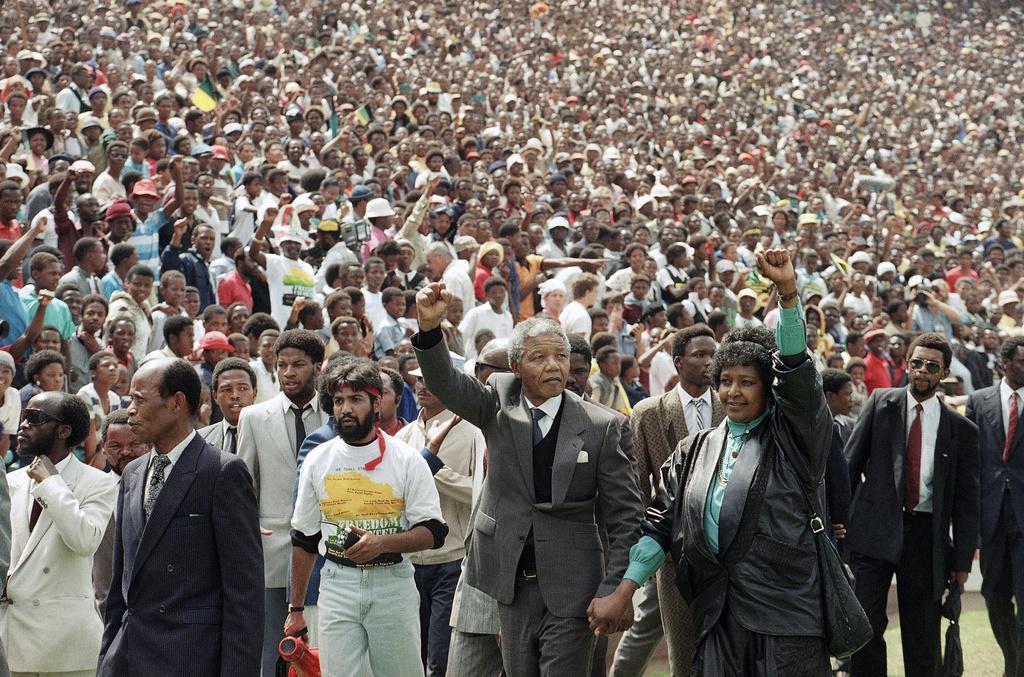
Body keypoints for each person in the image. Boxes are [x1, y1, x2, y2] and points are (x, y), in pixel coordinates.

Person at [597, 249, 833, 675]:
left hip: (786, 616)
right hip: (716, 612)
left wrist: (787, 293)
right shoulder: (695, 450)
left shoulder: (794, 438)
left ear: (769, 388)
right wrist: (624, 590)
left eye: (747, 382)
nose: (734, 392)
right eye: (726, 382)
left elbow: (797, 374)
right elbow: (659, 524)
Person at [412, 281, 643, 677]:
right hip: (509, 581)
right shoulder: (496, 400)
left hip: (574, 585)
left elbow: (626, 518)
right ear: (516, 368)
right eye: (539, 357)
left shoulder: (604, 426)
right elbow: (445, 383)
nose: (554, 366)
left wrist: (615, 588)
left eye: (561, 357)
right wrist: (430, 330)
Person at [97, 358, 263, 676]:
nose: (130, 409)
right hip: (130, 657)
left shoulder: (222, 471)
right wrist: (107, 660)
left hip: (191, 658)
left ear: (176, 402)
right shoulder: (131, 473)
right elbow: (121, 586)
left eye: (140, 400)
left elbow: (244, 594)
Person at [287, 360, 448, 677]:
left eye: (356, 399)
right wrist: (295, 609)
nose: (345, 409)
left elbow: (433, 532)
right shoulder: (318, 459)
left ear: (377, 404)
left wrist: (382, 543)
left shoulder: (407, 459)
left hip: (393, 584)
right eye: (338, 401)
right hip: (337, 584)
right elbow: (303, 539)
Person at [845, 332, 980, 677]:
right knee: (865, 628)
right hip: (873, 532)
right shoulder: (879, 403)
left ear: (944, 373)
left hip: (925, 538)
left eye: (932, 367)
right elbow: (849, 469)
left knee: (922, 637)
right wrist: (838, 527)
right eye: (916, 363)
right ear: (907, 364)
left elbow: (967, 503)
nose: (922, 371)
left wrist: (962, 561)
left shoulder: (960, 428)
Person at [614, 324, 722, 677]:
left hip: (730, 551)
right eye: (699, 355)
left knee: (732, 649)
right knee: (683, 653)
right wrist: (647, 552)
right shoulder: (649, 412)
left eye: (713, 354)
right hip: (673, 554)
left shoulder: (733, 404)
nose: (709, 362)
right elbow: (635, 489)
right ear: (678, 362)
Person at [1, 392, 117, 677]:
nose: (24, 424)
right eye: (25, 415)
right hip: (12, 641)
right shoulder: (10, 481)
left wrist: (52, 484)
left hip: (68, 649)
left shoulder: (98, 483)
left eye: (35, 418)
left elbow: (85, 541)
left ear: (64, 431)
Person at [236, 329, 328, 676]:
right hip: (273, 554)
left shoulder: (336, 417)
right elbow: (243, 484)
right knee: (272, 652)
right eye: (282, 365)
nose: (288, 372)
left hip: (326, 551)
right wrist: (247, 523)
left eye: (299, 365)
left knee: (320, 652)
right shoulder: (255, 417)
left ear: (318, 367)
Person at [396, 368, 477, 677]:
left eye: (430, 377)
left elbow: (480, 494)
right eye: (417, 378)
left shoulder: (474, 433)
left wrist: (431, 466)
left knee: (440, 661)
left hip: (452, 562)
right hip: (409, 563)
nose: (422, 384)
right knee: (411, 657)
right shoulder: (405, 435)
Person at [966, 335, 1024, 677]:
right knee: (995, 595)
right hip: (990, 516)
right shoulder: (977, 401)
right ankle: (1012, 660)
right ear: (1004, 364)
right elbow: (971, 460)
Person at [92, 408, 150, 617]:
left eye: (134, 444)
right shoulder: (92, 491)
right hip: (104, 614)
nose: (126, 452)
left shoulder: (160, 487)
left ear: (147, 444)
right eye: (116, 446)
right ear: (103, 448)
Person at [199, 357, 257, 455]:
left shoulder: (271, 436)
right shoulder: (200, 440)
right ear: (215, 396)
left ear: (254, 394)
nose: (235, 395)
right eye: (226, 390)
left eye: (243, 388)